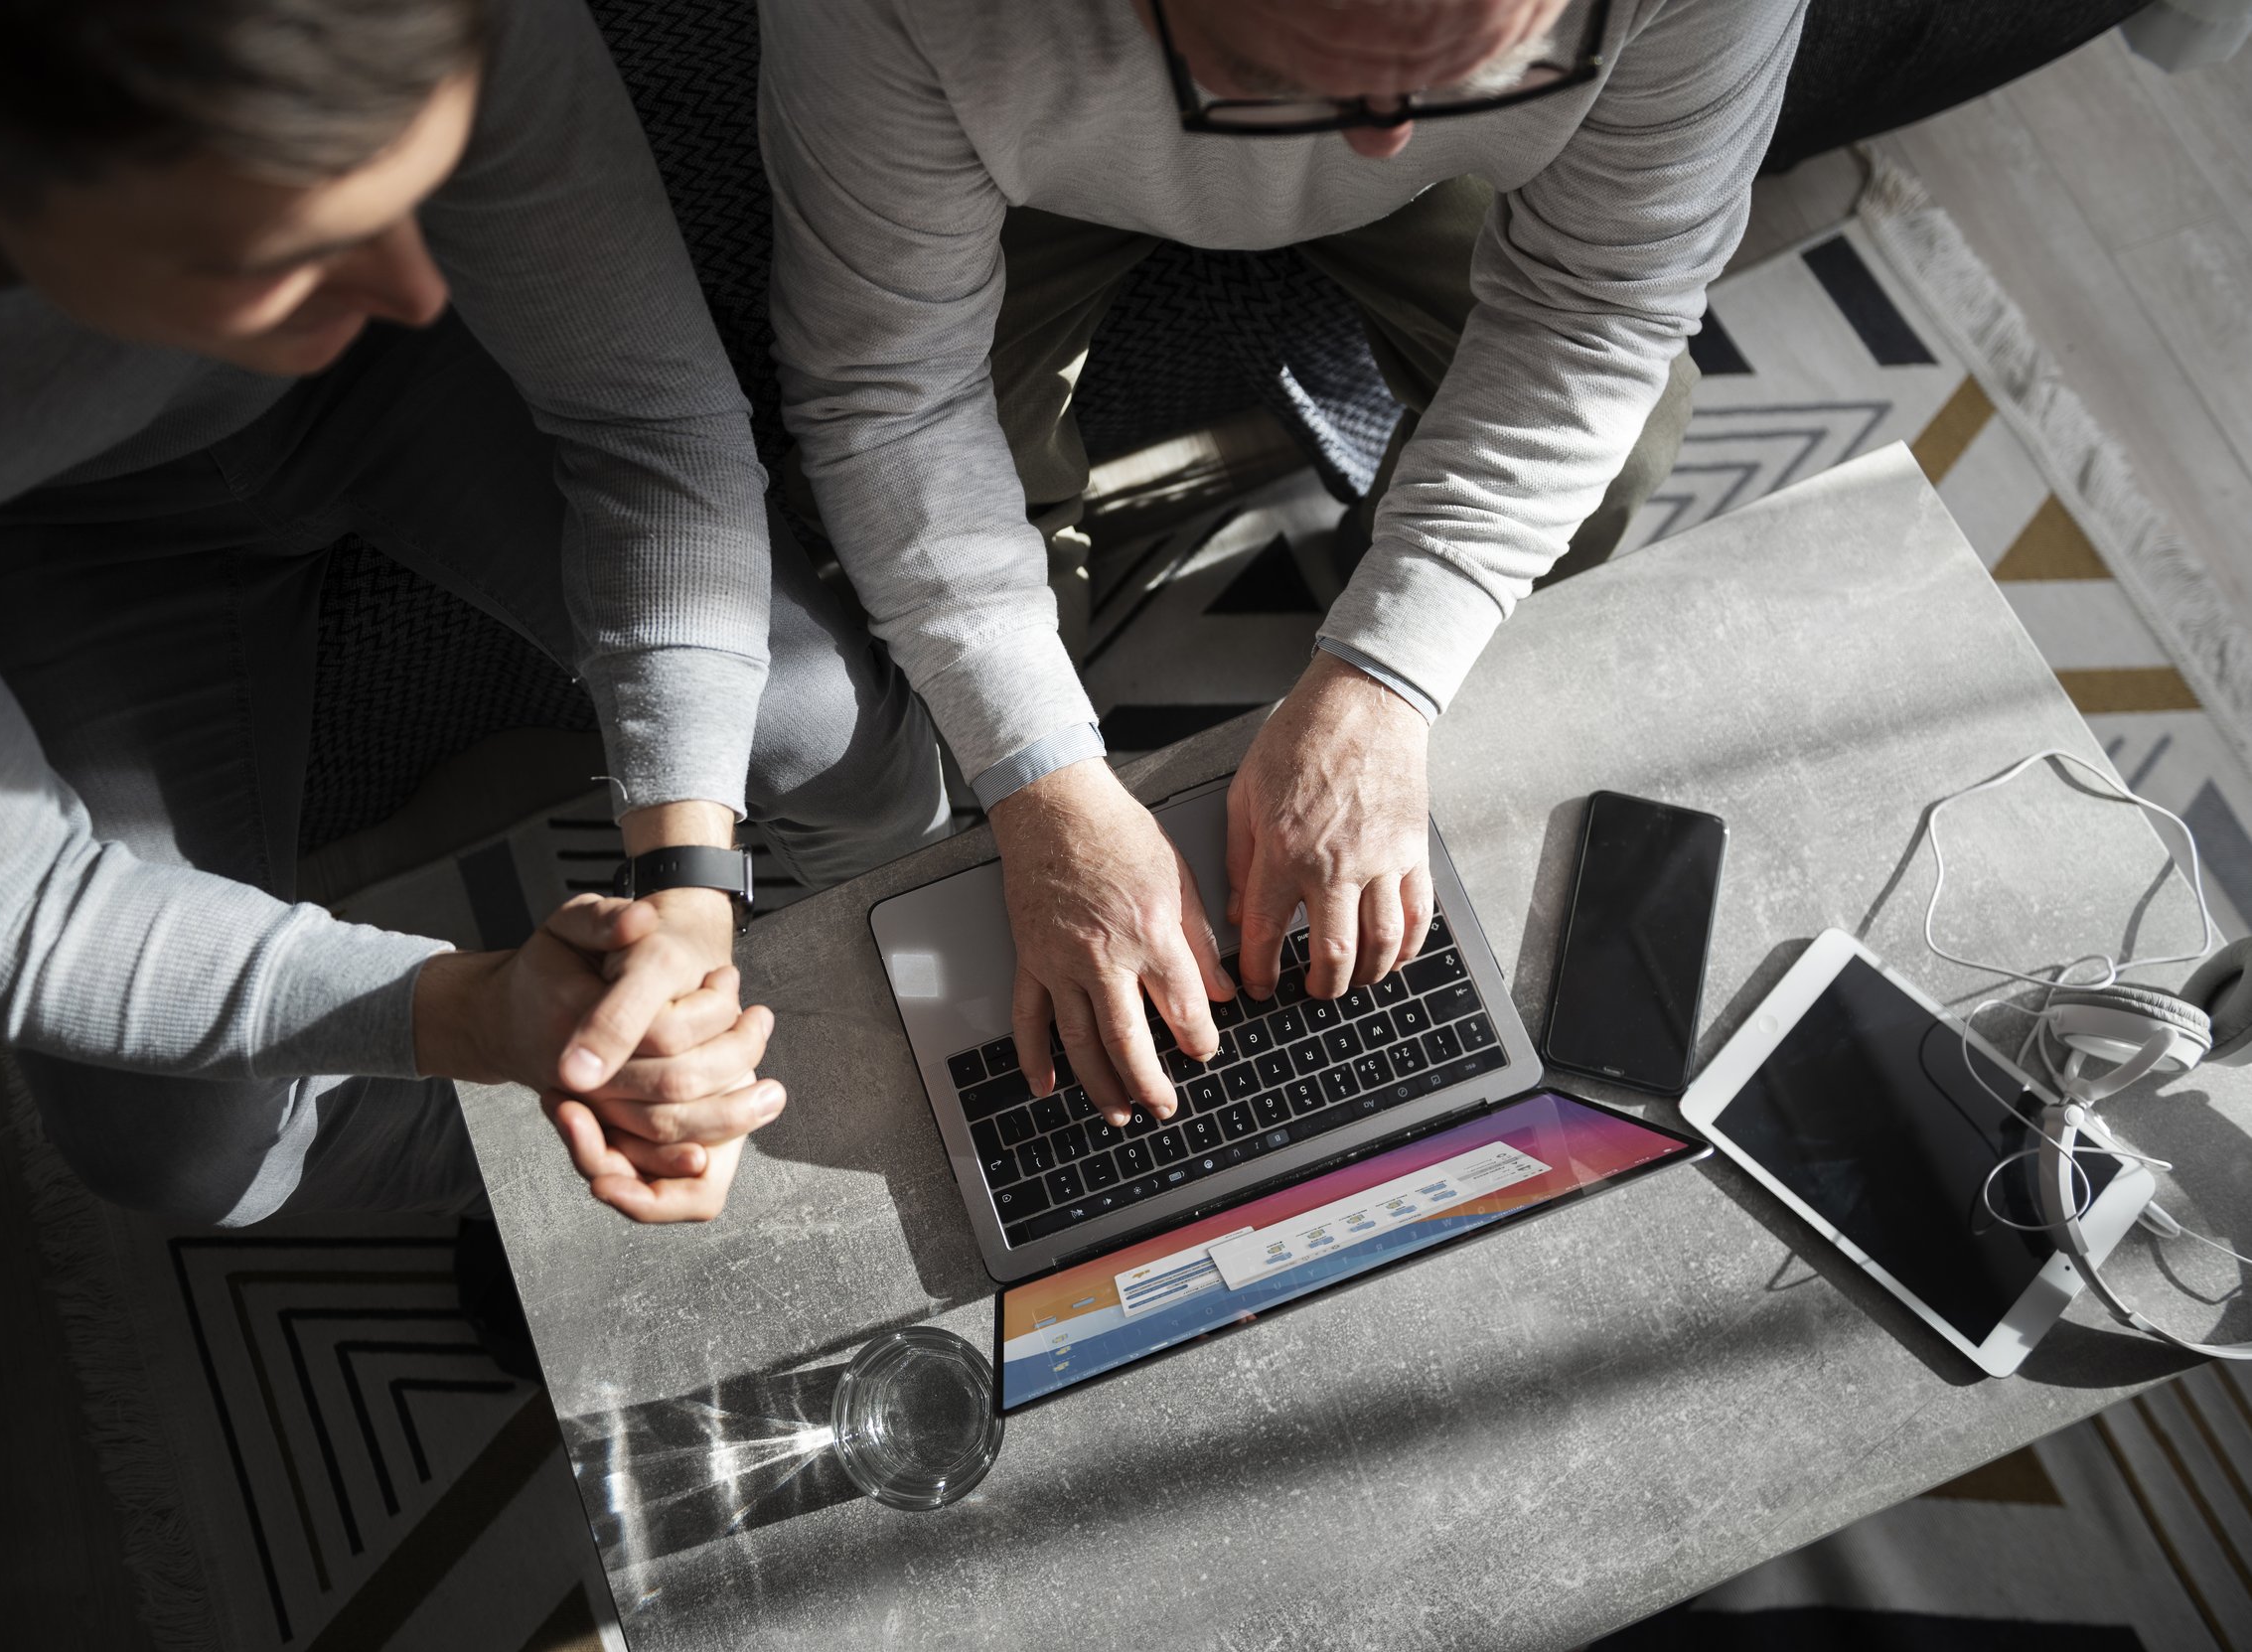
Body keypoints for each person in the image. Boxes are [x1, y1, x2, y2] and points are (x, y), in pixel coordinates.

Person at [0, 0, 950, 1234]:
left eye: (413, 185)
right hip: (61, 529)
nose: (409, 275)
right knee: (176, 1156)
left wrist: (691, 878)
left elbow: (645, 418)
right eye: (284, 248)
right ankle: (577, 1156)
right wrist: (480, 1018)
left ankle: (883, 952)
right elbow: (4, 910)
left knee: (808, 711)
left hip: (436, 382)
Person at [762, 0, 1804, 1126]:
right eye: (1293, 75)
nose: (1380, 139)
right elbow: (888, 399)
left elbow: (1602, 313)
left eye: (1485, 69)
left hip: (1419, 196)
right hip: (1029, 173)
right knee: (952, 564)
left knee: (1628, 446)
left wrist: (1384, 673)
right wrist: (1039, 778)